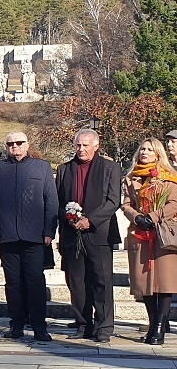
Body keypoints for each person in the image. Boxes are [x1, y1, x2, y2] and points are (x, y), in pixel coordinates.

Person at [0, 132, 58, 341]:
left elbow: (51, 201)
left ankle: (39, 327)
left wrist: (49, 231)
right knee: (13, 282)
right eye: (10, 144)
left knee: (35, 281)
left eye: (19, 143)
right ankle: (16, 325)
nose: (14, 146)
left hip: (35, 236)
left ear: (27, 145)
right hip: (6, 235)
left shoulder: (42, 167)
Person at [56, 129, 121, 343]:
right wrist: (67, 220)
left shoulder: (110, 168)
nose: (81, 149)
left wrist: (90, 220)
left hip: (99, 233)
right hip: (72, 233)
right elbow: (58, 201)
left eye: (85, 145)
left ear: (96, 146)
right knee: (77, 281)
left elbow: (113, 201)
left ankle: (104, 327)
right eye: (78, 145)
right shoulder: (65, 169)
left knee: (102, 280)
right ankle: (84, 324)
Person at [122, 138, 177, 345]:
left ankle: (160, 327)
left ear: (158, 154)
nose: (144, 152)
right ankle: (152, 323)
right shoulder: (132, 177)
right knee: (143, 281)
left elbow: (174, 203)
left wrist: (153, 217)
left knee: (164, 281)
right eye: (142, 149)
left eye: (149, 150)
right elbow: (126, 204)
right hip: (140, 234)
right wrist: (137, 217)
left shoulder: (169, 176)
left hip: (164, 233)